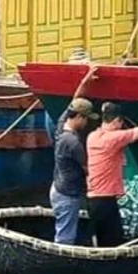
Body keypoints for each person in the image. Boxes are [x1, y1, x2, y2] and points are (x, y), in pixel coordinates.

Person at [85, 88, 138, 247]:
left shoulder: (92, 137)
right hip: (106, 200)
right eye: (121, 123)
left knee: (101, 243)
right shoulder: (115, 138)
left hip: (92, 199)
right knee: (114, 245)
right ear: (117, 121)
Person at [49, 74, 97, 245]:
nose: (86, 124)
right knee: (65, 238)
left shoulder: (61, 126)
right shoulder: (74, 143)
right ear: (78, 117)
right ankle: (60, 268)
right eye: (86, 119)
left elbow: (75, 100)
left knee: (64, 229)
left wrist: (85, 82)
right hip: (68, 195)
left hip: (57, 188)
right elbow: (87, 169)